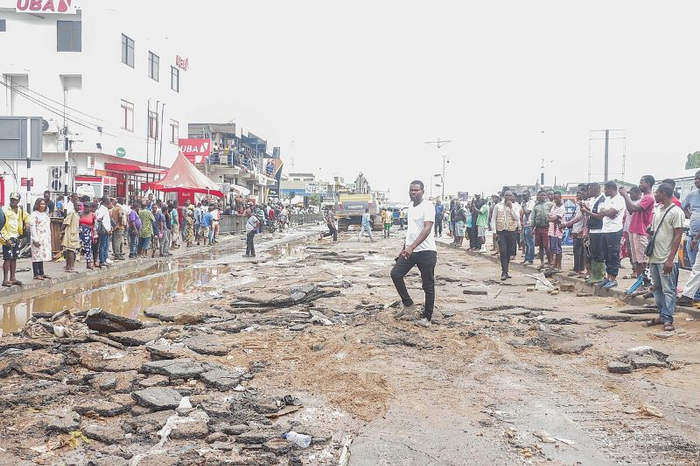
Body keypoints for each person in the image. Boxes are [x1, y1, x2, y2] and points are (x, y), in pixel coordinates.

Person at [391, 180, 437, 328]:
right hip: (411, 250)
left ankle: (427, 317)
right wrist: (404, 248)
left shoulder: (428, 206)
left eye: (416, 190)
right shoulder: (410, 207)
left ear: (423, 191)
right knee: (396, 274)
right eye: (411, 190)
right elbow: (411, 231)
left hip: (426, 251)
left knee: (428, 285)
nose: (413, 193)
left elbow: (426, 229)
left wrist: (411, 247)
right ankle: (409, 305)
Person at [644, 183, 684, 332]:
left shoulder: (676, 212)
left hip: (666, 258)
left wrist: (670, 259)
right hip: (655, 258)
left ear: (663, 193)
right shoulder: (658, 211)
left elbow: (678, 235)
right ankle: (663, 315)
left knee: (668, 290)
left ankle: (668, 319)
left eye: (657, 192)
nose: (654, 195)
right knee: (657, 289)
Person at [586, 181, 625, 289]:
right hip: (605, 229)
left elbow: (609, 213)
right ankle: (608, 278)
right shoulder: (607, 199)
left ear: (611, 189)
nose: (604, 191)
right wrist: (606, 212)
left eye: (606, 189)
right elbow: (601, 212)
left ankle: (613, 278)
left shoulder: (619, 199)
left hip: (614, 230)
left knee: (613, 255)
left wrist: (606, 212)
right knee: (606, 255)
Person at [620, 176, 655, 281]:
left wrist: (626, 195)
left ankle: (644, 283)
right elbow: (631, 210)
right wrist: (626, 197)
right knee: (637, 260)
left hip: (641, 231)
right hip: (634, 230)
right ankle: (639, 283)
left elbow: (634, 208)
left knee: (643, 260)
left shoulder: (649, 197)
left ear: (648, 184)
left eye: (642, 182)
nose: (640, 184)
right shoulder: (644, 197)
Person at [0, 193, 30, 287]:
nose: (13, 201)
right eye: (12, 199)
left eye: (15, 200)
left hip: (16, 236)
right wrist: (6, 239)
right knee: (7, 258)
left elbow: (27, 216)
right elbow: (1, 226)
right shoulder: (4, 210)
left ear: (18, 201)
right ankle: (5, 280)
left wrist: (27, 223)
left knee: (14, 258)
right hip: (8, 237)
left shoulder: (20, 210)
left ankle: (12, 278)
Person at [491, 190, 521, 280]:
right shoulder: (498, 206)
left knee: (509, 252)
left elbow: (517, 218)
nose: (508, 197)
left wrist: (511, 208)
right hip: (501, 231)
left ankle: (506, 270)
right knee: (503, 251)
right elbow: (493, 219)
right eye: (506, 195)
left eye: (510, 195)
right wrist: (494, 232)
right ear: (503, 196)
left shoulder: (515, 206)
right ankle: (504, 272)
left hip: (511, 231)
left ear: (512, 196)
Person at [562, 189, 588, 277]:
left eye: (580, 194)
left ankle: (577, 269)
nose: (578, 197)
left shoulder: (583, 205)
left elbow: (579, 217)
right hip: (577, 229)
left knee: (578, 250)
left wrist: (567, 224)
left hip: (580, 230)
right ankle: (580, 268)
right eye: (577, 195)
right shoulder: (578, 205)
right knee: (580, 250)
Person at [681, 171, 700, 269]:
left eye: (699, 178)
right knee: (694, 265)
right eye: (695, 179)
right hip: (692, 236)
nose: (697, 181)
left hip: (697, 238)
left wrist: (696, 238)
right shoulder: (691, 195)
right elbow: (683, 206)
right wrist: (690, 216)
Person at [30, 198, 52, 281]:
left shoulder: (45, 215)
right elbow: (33, 227)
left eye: (44, 204)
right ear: (37, 205)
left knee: (41, 255)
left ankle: (41, 272)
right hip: (37, 237)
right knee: (36, 255)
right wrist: (35, 239)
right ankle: (36, 273)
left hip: (44, 238)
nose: (42, 206)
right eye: (41, 204)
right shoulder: (34, 215)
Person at [530, 190, 553, 269]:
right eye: (541, 195)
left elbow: (553, 214)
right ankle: (542, 262)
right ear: (538, 196)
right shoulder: (536, 206)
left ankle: (550, 262)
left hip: (547, 227)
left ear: (546, 196)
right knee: (540, 246)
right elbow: (533, 217)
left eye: (543, 195)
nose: (542, 196)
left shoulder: (550, 204)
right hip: (538, 228)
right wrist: (532, 228)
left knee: (547, 246)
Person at [547, 192, 565, 273]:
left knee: (558, 249)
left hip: (558, 231)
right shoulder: (554, 206)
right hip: (552, 230)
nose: (555, 200)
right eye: (554, 198)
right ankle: (554, 265)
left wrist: (551, 218)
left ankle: (559, 266)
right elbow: (550, 216)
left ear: (560, 197)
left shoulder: (562, 208)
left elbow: (555, 218)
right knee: (553, 248)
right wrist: (551, 218)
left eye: (556, 198)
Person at [61, 202, 80, 273]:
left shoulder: (77, 214)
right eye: (77, 205)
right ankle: (70, 267)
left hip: (74, 234)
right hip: (70, 234)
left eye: (79, 206)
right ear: (74, 205)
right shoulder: (71, 213)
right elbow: (65, 223)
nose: (79, 207)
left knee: (70, 251)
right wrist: (61, 231)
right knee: (71, 251)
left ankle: (68, 267)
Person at [95, 196, 113, 268]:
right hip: (103, 231)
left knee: (106, 246)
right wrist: (106, 230)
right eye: (109, 200)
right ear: (106, 201)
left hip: (107, 230)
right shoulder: (102, 209)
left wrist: (110, 229)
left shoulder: (106, 209)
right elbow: (100, 220)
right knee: (102, 246)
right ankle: (102, 261)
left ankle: (105, 259)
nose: (110, 201)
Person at [79, 202, 96, 269]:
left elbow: (94, 226)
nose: (86, 208)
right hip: (80, 232)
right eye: (85, 207)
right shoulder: (80, 214)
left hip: (88, 232)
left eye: (88, 207)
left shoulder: (92, 215)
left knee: (88, 248)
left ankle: (88, 263)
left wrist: (95, 236)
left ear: (90, 208)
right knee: (77, 248)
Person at [520, 192, 535, 264]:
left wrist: (523, 206)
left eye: (525, 195)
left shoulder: (531, 203)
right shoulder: (524, 203)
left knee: (530, 243)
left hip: (529, 224)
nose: (523, 197)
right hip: (525, 224)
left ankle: (530, 259)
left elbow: (527, 213)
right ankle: (526, 259)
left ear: (529, 196)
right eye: (523, 196)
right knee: (527, 243)